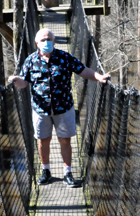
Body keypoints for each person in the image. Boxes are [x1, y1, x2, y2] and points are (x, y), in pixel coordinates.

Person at [8, 28, 110, 187]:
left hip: (64, 108)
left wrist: (99, 77)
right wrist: (15, 80)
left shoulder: (65, 57)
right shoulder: (30, 60)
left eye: (49, 39)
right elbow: (24, 82)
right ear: (37, 43)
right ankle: (46, 171)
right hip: (41, 110)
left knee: (65, 141)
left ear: (54, 42)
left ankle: (67, 173)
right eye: (43, 40)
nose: (46, 42)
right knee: (43, 141)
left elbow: (83, 70)